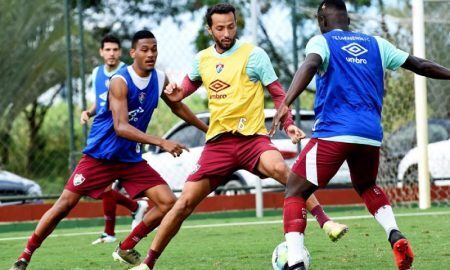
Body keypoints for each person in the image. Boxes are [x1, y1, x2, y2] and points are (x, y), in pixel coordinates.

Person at [123, 4, 348, 270]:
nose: (227, 32)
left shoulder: (254, 55)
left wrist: (287, 124)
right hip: (218, 144)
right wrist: (173, 91)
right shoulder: (202, 59)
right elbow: (182, 92)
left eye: (231, 26)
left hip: (252, 139)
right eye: (220, 28)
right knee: (183, 204)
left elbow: (278, 93)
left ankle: (325, 221)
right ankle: (148, 263)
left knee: (282, 170)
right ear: (210, 30)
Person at [270, 1, 450, 269]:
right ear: (348, 20)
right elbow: (420, 64)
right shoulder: (377, 43)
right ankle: (394, 233)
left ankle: (295, 261)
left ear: (322, 22)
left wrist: (286, 102)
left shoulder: (322, 42)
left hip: (334, 133)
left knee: (295, 189)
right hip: (369, 135)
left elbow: (310, 64)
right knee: (366, 185)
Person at [10, 30, 208, 270]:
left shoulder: (159, 78)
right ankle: (25, 256)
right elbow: (121, 127)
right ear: (133, 52)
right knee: (64, 205)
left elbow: (177, 107)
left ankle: (126, 245)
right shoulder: (120, 81)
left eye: (154, 49)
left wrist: (207, 128)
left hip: (129, 160)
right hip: (100, 157)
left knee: (168, 203)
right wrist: (161, 141)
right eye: (144, 49)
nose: (150, 54)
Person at [80, 34, 149, 245]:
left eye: (115, 50)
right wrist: (89, 113)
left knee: (103, 186)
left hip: (118, 132)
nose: (111, 53)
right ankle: (133, 210)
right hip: (100, 132)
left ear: (121, 52)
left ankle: (115, 227)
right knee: (103, 187)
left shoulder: (127, 73)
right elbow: (100, 101)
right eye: (107, 50)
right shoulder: (96, 73)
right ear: (101, 52)